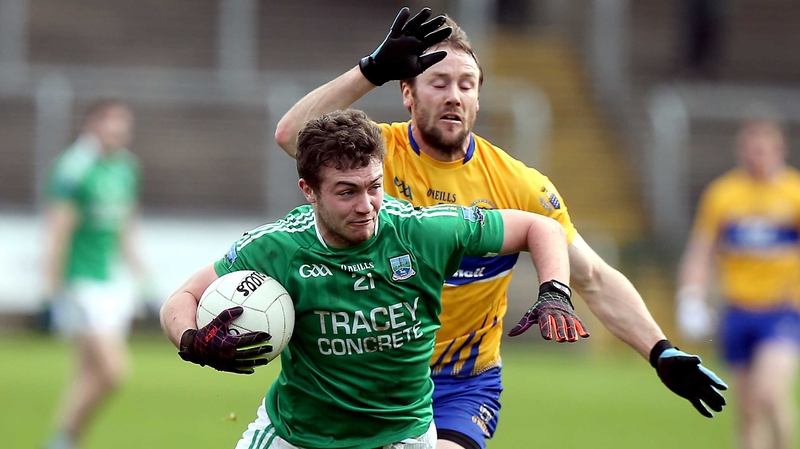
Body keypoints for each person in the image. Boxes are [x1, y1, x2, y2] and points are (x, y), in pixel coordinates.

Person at [274, 7, 728, 449]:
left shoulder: (518, 185)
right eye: (439, 82)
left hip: (460, 384)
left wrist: (660, 351)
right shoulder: (374, 160)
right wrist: (371, 70)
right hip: (368, 376)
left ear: (478, 98)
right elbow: (293, 136)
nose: (454, 95)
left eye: (466, 84)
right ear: (407, 93)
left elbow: (594, 278)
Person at [160, 108, 581, 449]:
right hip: (297, 436)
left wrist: (555, 291)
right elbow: (181, 299)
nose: (366, 206)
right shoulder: (278, 247)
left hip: (401, 436)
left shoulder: (423, 232)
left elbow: (542, 227)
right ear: (309, 190)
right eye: (347, 192)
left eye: (374, 187)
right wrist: (192, 341)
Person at [676, 116, 800, 449]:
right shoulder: (723, 194)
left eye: (764, 150)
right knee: (747, 410)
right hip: (737, 310)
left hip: (782, 310)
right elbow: (702, 250)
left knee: (770, 394)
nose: (757, 157)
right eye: (751, 149)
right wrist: (691, 297)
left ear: (779, 150)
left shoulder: (794, 193)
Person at [43, 99, 147, 449]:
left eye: (123, 122)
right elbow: (58, 230)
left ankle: (66, 442)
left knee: (87, 371)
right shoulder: (74, 168)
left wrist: (142, 273)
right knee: (113, 371)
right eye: (111, 121)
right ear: (93, 124)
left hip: (111, 281)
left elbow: (125, 226)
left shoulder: (126, 167)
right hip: (81, 281)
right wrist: (52, 289)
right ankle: (63, 439)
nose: (118, 129)